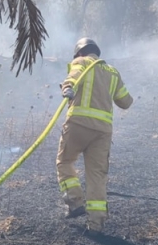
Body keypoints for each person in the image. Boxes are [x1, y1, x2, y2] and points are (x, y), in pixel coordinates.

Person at [56, 38, 133, 232]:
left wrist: (67, 87)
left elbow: (73, 77)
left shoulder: (81, 62)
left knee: (64, 162)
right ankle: (96, 223)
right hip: (102, 132)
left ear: (80, 53)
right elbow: (125, 102)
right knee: (97, 175)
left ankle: (75, 202)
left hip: (78, 124)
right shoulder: (113, 72)